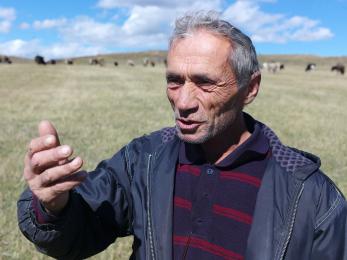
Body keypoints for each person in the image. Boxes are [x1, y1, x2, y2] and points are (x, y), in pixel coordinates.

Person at [17, 11, 347, 260]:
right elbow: (77, 235)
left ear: (251, 88)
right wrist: (53, 205)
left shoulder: (312, 198)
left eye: (205, 83)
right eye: (174, 81)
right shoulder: (143, 160)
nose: (183, 102)